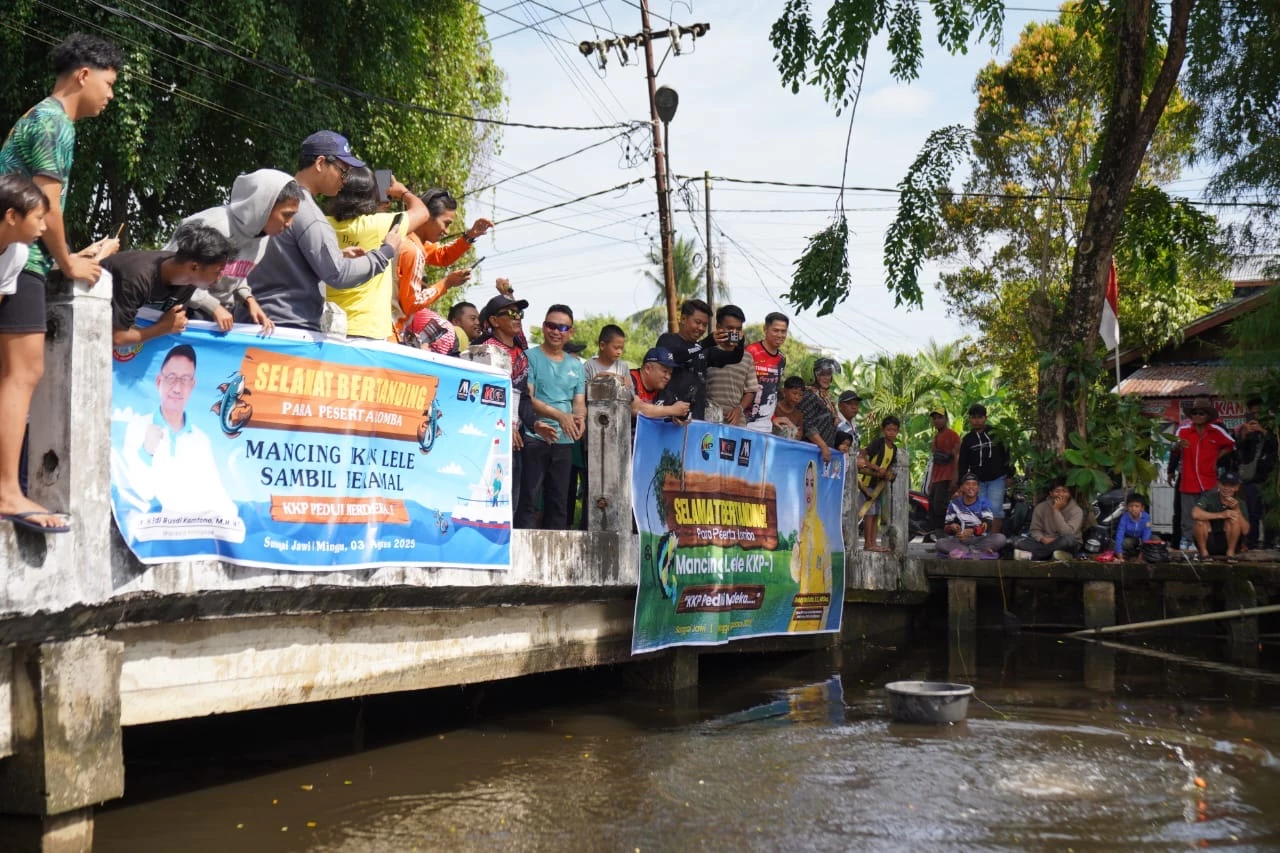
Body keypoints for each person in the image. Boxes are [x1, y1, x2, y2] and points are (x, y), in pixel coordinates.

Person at [0, 33, 124, 533]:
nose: (111, 95)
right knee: (23, 373)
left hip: (17, 256)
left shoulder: (37, 117)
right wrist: (69, 263)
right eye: (109, 84)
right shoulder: (54, 122)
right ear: (84, 75)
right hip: (20, 259)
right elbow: (47, 208)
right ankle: (9, 492)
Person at [244, 130, 402, 330]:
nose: (344, 179)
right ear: (320, 163)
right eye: (342, 171)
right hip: (288, 327)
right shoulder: (306, 210)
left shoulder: (275, 199)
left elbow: (281, 259)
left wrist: (336, 254)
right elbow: (338, 274)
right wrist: (384, 252)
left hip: (253, 320)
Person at [166, 169, 301, 334]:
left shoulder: (262, 235)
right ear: (264, 206)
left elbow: (234, 271)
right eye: (286, 215)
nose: (289, 224)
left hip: (218, 316)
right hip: (182, 315)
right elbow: (172, 272)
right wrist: (213, 306)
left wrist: (248, 299)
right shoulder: (211, 225)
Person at [117, 343, 236, 524]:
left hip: (194, 536)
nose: (177, 388)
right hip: (151, 534)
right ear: (159, 382)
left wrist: (231, 519)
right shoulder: (138, 427)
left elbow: (217, 494)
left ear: (192, 385)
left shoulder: (200, 440)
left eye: (185, 380)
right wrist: (146, 453)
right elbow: (137, 493)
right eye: (171, 378)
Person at [324, 167, 426, 340]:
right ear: (372, 196)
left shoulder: (323, 224)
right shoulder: (382, 225)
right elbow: (422, 212)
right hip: (368, 329)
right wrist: (402, 192)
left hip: (327, 324)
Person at [109, 223, 235, 349]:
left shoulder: (189, 281)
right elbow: (117, 338)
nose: (220, 278)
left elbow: (175, 319)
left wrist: (171, 324)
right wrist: (163, 328)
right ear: (194, 267)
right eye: (217, 271)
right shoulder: (136, 278)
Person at [517, 304, 585, 530]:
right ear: (544, 327)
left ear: (570, 332)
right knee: (529, 499)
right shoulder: (529, 357)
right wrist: (558, 415)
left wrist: (579, 419)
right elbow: (528, 397)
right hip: (535, 436)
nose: (556, 331)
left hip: (564, 442)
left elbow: (578, 402)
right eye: (551, 325)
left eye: (562, 327)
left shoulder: (576, 365)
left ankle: (557, 563)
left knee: (559, 503)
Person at [393, 187, 492, 332]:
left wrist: (469, 236)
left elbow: (442, 255)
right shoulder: (412, 249)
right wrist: (446, 283)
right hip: (386, 330)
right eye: (446, 223)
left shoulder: (404, 237)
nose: (447, 231)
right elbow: (413, 303)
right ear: (426, 216)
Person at [657, 298, 743, 420]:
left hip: (696, 419)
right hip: (670, 416)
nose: (701, 328)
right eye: (697, 322)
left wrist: (740, 341)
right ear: (683, 319)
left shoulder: (705, 350)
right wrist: (704, 343)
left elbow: (734, 358)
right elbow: (678, 357)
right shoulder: (667, 340)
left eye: (705, 325)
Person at [1170, 397, 1235, 551]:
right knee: (1188, 514)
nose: (1197, 416)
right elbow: (1174, 450)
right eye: (1194, 413)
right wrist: (1177, 447)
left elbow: (1231, 445)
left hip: (1209, 480)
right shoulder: (1183, 431)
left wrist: (1216, 458)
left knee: (1211, 513)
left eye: (1201, 413)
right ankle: (1187, 540)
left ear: (1207, 416)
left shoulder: (1216, 431)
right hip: (1189, 480)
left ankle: (1211, 543)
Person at [788, 459, 832, 631]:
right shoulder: (801, 526)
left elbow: (828, 580)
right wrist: (798, 541)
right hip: (801, 609)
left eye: (812, 483)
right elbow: (795, 576)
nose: (809, 489)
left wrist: (824, 619)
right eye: (806, 483)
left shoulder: (821, 528)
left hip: (818, 612)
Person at [956, 403, 1014, 534]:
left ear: (985, 417)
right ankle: (982, 540)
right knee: (980, 511)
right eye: (974, 417)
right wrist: (961, 483)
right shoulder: (967, 440)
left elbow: (1007, 454)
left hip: (997, 479)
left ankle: (993, 542)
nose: (977, 420)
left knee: (995, 509)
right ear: (970, 419)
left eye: (980, 417)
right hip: (978, 481)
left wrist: (1010, 475)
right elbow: (963, 463)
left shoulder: (996, 433)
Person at [704, 305, 758, 425]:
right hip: (708, 420)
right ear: (718, 327)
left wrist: (739, 409)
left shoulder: (747, 357)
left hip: (736, 421)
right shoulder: (706, 352)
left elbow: (751, 390)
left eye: (738, 329)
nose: (734, 332)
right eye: (729, 328)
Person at [936, 473, 1007, 559]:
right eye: (967, 484)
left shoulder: (984, 503)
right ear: (962, 487)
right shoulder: (954, 504)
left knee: (1001, 538)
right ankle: (975, 551)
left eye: (974, 484)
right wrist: (952, 527)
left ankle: (966, 551)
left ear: (978, 488)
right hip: (960, 541)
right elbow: (946, 528)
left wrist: (972, 531)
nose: (971, 487)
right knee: (939, 543)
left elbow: (987, 525)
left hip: (980, 540)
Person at [857, 415, 900, 553]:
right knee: (869, 515)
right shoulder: (877, 443)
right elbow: (862, 456)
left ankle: (873, 542)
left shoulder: (894, 449)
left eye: (894, 430)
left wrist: (887, 473)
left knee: (875, 515)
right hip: (867, 485)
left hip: (878, 487)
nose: (891, 433)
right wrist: (876, 468)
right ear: (883, 430)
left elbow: (889, 467)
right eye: (889, 430)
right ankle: (868, 544)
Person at [1233, 405, 1274, 550]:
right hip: (1252, 479)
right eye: (1253, 413)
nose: (1255, 417)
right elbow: (1239, 450)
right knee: (1252, 512)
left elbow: (1275, 446)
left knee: (1269, 513)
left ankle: (1270, 542)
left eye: (1258, 413)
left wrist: (1262, 431)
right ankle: (1252, 541)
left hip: (1269, 479)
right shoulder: (1245, 430)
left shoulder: (1271, 430)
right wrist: (1244, 434)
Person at [1011, 480, 1084, 560]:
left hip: (1066, 544)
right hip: (1045, 542)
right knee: (1016, 541)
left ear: (1069, 494)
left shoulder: (1077, 511)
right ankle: (1056, 555)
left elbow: (1067, 533)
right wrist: (1042, 538)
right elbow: (1035, 530)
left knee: (1068, 540)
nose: (1061, 495)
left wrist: (1056, 511)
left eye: (1064, 491)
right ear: (1051, 493)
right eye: (1057, 491)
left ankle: (1033, 555)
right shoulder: (1041, 507)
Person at [744, 312, 788, 433]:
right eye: (776, 330)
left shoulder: (782, 359)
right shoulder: (751, 351)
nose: (780, 335)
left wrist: (773, 418)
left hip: (765, 426)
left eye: (783, 331)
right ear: (765, 329)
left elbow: (773, 390)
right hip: (744, 422)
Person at [1192, 471, 1250, 560]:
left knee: (1233, 520)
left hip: (1229, 541)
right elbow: (1195, 513)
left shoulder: (1240, 503)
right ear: (1218, 484)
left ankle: (1230, 554)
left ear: (1236, 487)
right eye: (1224, 484)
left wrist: (1236, 510)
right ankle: (1204, 554)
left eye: (1231, 485)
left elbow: (1245, 531)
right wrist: (1221, 515)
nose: (1227, 488)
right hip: (1210, 540)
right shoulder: (1209, 498)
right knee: (1200, 521)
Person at [629, 347, 691, 423]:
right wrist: (672, 410)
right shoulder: (629, 378)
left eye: (670, 373)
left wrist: (680, 417)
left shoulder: (662, 387)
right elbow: (636, 408)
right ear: (648, 369)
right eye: (665, 371)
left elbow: (677, 409)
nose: (668, 377)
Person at [796, 360, 841, 463]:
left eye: (829, 374)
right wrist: (824, 446)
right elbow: (807, 424)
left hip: (820, 454)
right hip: (809, 452)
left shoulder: (827, 397)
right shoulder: (808, 395)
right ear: (812, 375)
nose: (826, 378)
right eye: (821, 374)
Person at [926, 407, 960, 534]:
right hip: (936, 478)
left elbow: (957, 457)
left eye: (940, 417)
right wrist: (931, 481)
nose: (937, 420)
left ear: (946, 418)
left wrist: (955, 479)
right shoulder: (936, 437)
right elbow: (935, 461)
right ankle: (939, 537)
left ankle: (947, 534)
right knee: (933, 509)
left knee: (941, 507)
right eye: (935, 418)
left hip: (947, 477)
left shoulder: (953, 435)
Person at [1113, 493, 1152, 558]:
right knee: (1124, 543)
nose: (1133, 509)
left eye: (1137, 506)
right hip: (1130, 539)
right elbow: (1119, 535)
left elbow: (1146, 535)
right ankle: (1132, 552)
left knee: (1155, 539)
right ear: (1127, 507)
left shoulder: (1147, 517)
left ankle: (1143, 552)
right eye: (1131, 506)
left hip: (1142, 538)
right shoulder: (1124, 518)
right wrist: (1119, 553)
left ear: (1142, 508)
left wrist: (1142, 553)